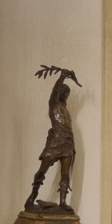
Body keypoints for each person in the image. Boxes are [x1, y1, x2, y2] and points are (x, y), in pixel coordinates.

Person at [25, 66, 80, 209]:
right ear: (60, 92)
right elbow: (54, 92)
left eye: (67, 94)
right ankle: (32, 197)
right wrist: (62, 76)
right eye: (64, 92)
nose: (66, 95)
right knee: (42, 170)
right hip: (56, 140)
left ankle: (63, 202)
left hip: (68, 142)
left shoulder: (66, 110)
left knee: (65, 173)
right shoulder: (54, 105)